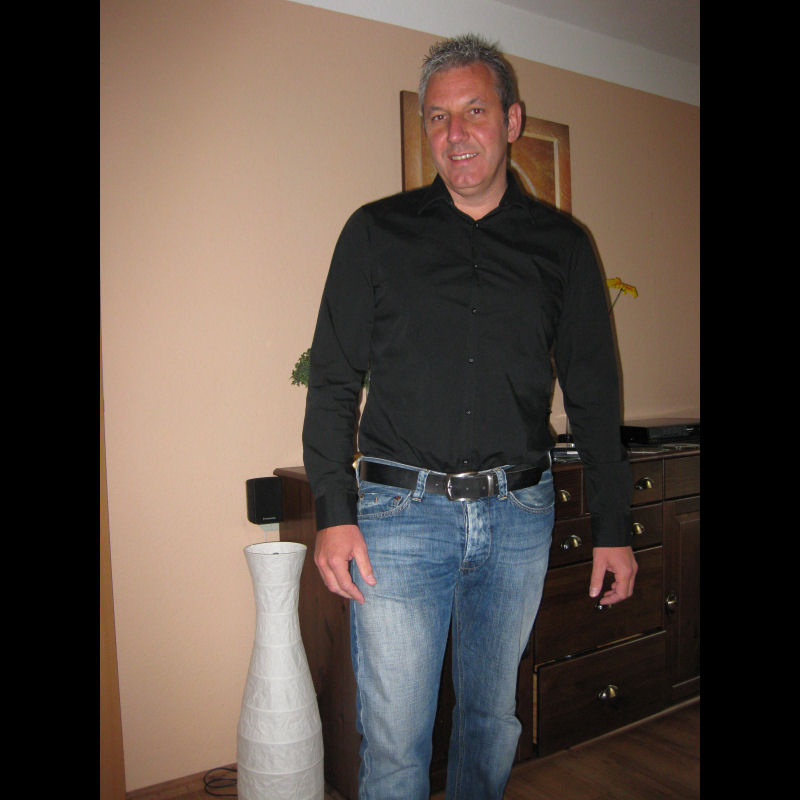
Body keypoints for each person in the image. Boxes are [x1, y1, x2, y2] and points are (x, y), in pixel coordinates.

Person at [302, 33, 637, 800]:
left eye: (475, 111)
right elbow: (332, 380)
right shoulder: (374, 234)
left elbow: (594, 392)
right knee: (394, 745)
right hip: (398, 519)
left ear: (512, 121)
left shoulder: (563, 246)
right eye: (438, 116)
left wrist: (613, 527)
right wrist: (333, 511)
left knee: (491, 723)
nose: (455, 133)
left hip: (518, 517)